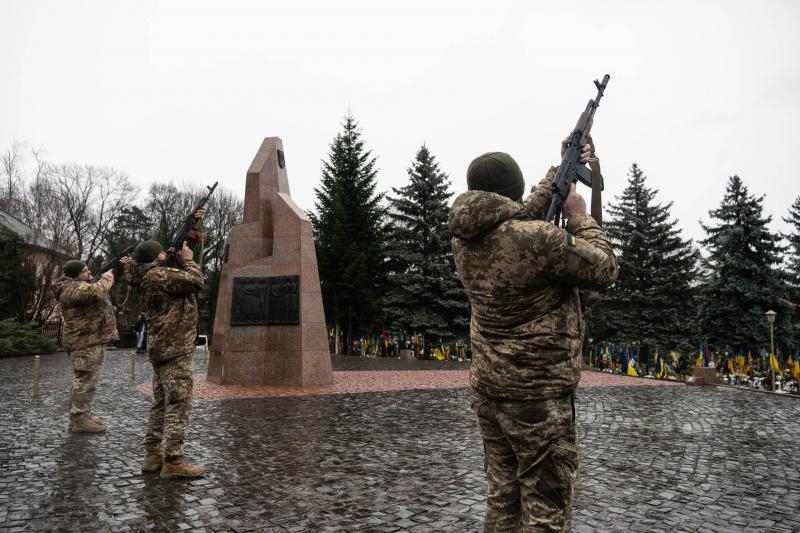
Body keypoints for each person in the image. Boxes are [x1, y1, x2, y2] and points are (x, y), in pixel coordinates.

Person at [448, 139, 618, 531]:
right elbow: (605, 268)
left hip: (490, 391)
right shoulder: (537, 239)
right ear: (514, 189)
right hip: (537, 398)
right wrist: (578, 216)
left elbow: (521, 213)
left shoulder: (465, 238)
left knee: (503, 499)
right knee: (546, 510)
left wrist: (563, 166)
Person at [126, 229, 206, 479]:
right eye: (160, 251)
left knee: (160, 403)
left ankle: (152, 455)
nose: (165, 252)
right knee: (178, 404)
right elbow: (195, 281)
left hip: (161, 348)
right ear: (154, 258)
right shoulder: (158, 276)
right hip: (175, 347)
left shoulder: (145, 276)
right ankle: (173, 460)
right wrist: (190, 259)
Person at [54, 258, 125, 433]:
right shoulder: (71, 288)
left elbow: (97, 289)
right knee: (84, 381)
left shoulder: (79, 286)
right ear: (76, 275)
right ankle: (78, 420)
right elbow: (96, 292)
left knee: (87, 381)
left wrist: (118, 269)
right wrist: (107, 277)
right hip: (84, 342)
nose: (89, 273)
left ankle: (83, 415)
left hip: (91, 339)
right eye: (85, 271)